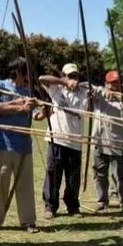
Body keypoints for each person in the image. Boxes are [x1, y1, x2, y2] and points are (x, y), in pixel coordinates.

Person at [0, 57, 39, 234]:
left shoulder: (29, 90)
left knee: (25, 186)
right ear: (16, 72)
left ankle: (28, 221)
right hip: (1, 143)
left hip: (23, 144)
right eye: (24, 72)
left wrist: (42, 111)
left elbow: (36, 115)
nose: (27, 76)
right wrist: (19, 108)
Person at [38, 63, 88, 219]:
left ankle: (72, 206)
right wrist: (64, 82)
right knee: (53, 174)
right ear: (63, 76)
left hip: (75, 141)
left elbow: (90, 108)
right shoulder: (56, 89)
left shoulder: (83, 93)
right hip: (56, 139)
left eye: (75, 76)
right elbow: (41, 78)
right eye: (70, 76)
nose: (74, 79)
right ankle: (50, 206)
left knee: (73, 178)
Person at [91, 71, 123, 213]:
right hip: (99, 140)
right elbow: (89, 88)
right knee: (99, 173)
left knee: (120, 176)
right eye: (110, 82)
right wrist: (103, 91)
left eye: (116, 82)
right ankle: (102, 202)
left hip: (116, 143)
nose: (113, 85)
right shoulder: (99, 94)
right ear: (105, 83)